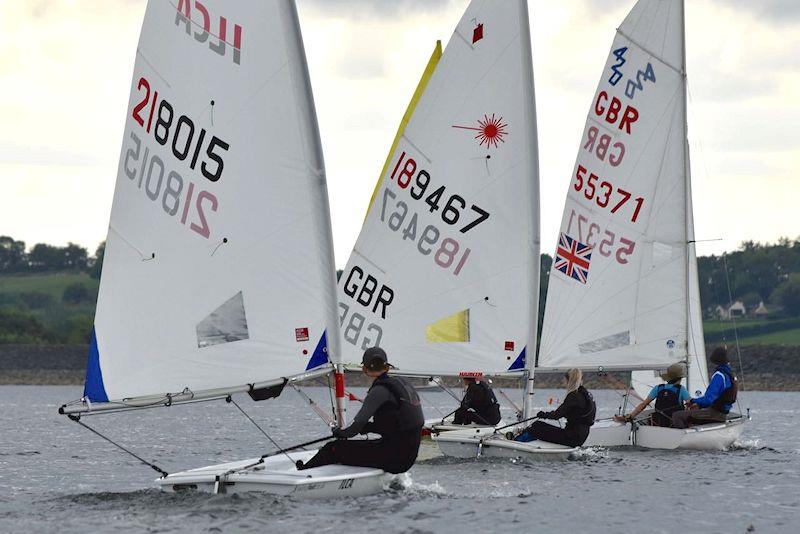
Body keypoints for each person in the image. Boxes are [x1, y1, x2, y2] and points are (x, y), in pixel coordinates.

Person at [297, 347, 424, 474]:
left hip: (395, 460)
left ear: (364, 368)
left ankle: (302, 473)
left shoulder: (379, 391)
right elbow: (399, 424)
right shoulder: (402, 384)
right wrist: (369, 427)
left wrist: (339, 432)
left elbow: (353, 430)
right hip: (408, 456)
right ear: (387, 367)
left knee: (332, 448)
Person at [514, 368, 595, 447]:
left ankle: (516, 442)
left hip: (571, 438)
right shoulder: (587, 395)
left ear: (569, 381)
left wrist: (543, 414)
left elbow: (556, 415)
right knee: (538, 426)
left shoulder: (573, 395)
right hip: (580, 437)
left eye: (564, 380)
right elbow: (579, 414)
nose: (563, 382)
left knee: (536, 426)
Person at [672, 347, 738, 429]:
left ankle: (683, 439)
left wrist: (693, 401)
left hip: (715, 414)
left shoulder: (719, 375)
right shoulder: (731, 375)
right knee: (694, 413)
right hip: (723, 413)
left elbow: (708, 400)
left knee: (677, 415)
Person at [613, 363, 691, 427]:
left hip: (659, 423)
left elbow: (643, 405)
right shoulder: (681, 389)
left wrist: (630, 416)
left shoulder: (658, 388)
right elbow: (690, 404)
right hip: (674, 424)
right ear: (680, 378)